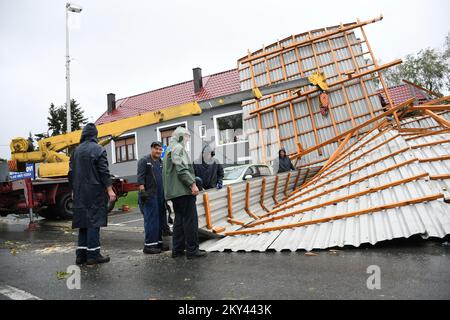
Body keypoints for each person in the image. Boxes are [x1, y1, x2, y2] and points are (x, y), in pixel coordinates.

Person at [68, 123, 116, 265]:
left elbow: (71, 173)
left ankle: (81, 255)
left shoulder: (75, 151)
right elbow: (104, 172)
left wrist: (73, 190)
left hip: (79, 192)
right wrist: (109, 189)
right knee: (94, 222)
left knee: (83, 222)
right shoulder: (98, 149)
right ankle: (93, 255)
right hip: (94, 192)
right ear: (95, 135)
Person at [163, 127, 206, 259]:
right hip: (183, 191)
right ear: (181, 136)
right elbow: (181, 168)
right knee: (190, 221)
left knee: (179, 221)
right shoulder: (178, 148)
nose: (187, 141)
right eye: (187, 137)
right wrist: (192, 184)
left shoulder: (169, 149)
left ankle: (177, 250)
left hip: (174, 192)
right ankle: (192, 251)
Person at [137, 141, 169, 254]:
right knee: (151, 220)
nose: (158, 151)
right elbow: (140, 177)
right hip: (149, 195)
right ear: (151, 149)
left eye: (160, 150)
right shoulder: (144, 161)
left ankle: (158, 243)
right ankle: (149, 245)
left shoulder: (161, 162)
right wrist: (142, 192)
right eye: (156, 149)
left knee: (160, 219)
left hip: (160, 195)